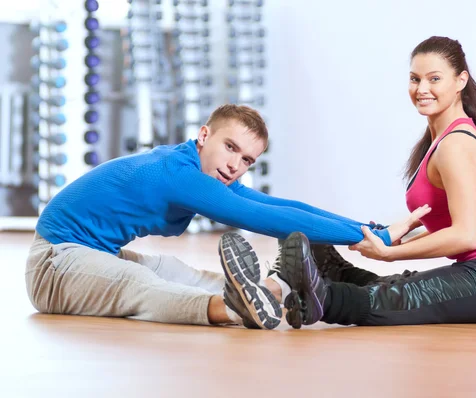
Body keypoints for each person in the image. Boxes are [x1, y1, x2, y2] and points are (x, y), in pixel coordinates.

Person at [25, 104, 396, 331]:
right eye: (230, 148)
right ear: (204, 135)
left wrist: (372, 229)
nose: (235, 165)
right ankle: (233, 310)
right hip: (54, 264)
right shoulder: (181, 174)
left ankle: (279, 291)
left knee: (179, 273)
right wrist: (372, 238)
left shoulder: (202, 168)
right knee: (139, 283)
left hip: (89, 256)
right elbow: (263, 219)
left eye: (247, 160)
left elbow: (283, 207)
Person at [261, 36, 476, 329]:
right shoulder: (441, 140)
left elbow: (465, 236)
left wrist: (391, 253)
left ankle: (310, 295)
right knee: (402, 289)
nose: (422, 89)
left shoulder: (456, 145)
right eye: (415, 79)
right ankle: (332, 271)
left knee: (400, 296)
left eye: (434, 79)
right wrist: (392, 241)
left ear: (460, 81)